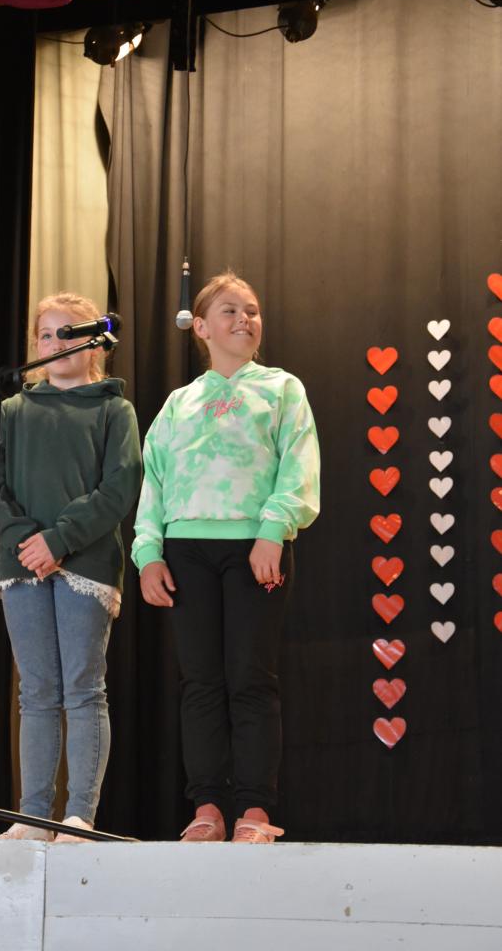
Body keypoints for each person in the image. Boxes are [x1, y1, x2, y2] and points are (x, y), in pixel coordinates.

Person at [132, 271, 320, 844]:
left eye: (252, 311)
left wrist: (273, 531)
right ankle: (208, 807)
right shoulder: (179, 403)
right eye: (230, 311)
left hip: (254, 548)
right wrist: (148, 552)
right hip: (186, 551)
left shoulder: (282, 389)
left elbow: (298, 463)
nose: (244, 319)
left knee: (250, 678)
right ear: (202, 327)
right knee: (201, 682)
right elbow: (154, 480)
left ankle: (255, 812)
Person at [0, 292, 141, 842]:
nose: (55, 343)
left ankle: (79, 815)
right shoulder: (12, 411)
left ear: (95, 345)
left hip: (85, 563)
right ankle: (35, 815)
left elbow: (119, 485)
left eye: (68, 333)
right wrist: (27, 540)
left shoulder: (113, 410)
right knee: (37, 691)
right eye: (46, 335)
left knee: (83, 687)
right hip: (22, 562)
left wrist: (61, 539)